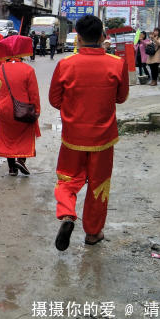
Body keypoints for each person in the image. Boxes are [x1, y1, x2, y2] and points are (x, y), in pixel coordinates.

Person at [49, 15, 129, 251]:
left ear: (78, 37)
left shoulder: (65, 64)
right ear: (102, 36)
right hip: (103, 138)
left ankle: (66, 215)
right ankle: (93, 233)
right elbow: (121, 97)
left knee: (68, 179)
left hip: (73, 136)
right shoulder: (117, 64)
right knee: (98, 185)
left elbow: (55, 100)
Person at [0, 36, 41, 176]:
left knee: (8, 138)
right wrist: (36, 109)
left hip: (4, 109)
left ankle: (12, 168)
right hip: (23, 109)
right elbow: (34, 93)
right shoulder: (28, 70)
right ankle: (21, 159)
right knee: (24, 136)